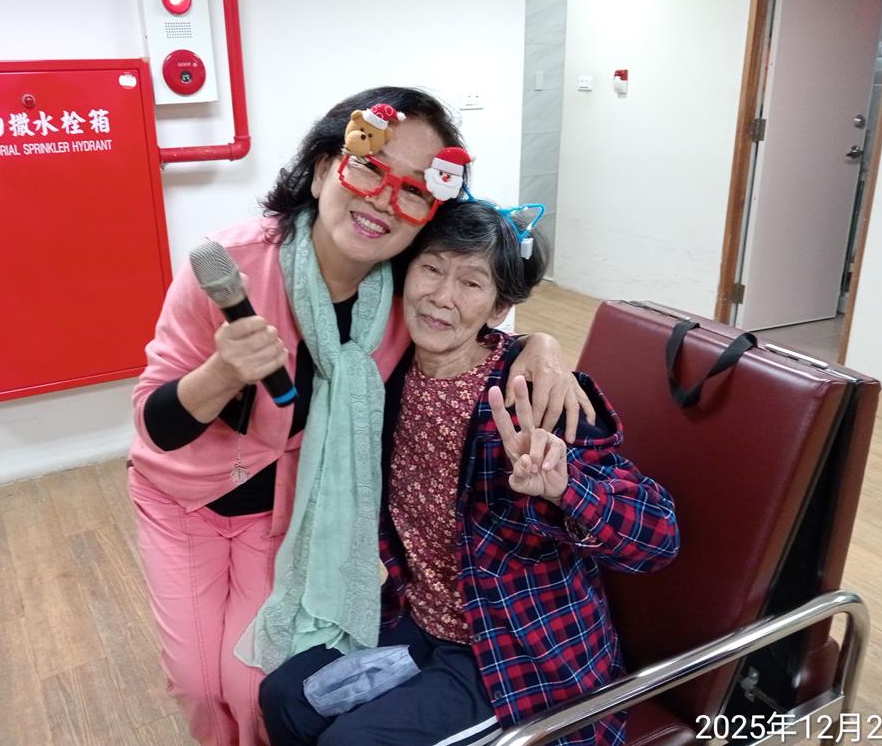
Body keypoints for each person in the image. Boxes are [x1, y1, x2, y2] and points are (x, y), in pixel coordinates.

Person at [128, 86, 592, 746]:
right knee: (200, 685)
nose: (382, 200)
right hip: (184, 500)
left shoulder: (402, 289)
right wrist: (222, 372)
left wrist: (539, 343)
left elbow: (471, 320)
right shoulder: (232, 266)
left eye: (413, 189)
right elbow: (156, 425)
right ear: (323, 170)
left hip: (287, 511)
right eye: (368, 168)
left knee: (252, 683)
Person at [259, 199, 680, 746]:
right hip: (415, 621)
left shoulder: (535, 397)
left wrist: (565, 488)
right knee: (285, 698)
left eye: (471, 283)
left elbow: (658, 537)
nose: (442, 296)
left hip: (514, 654)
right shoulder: (383, 376)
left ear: (499, 307)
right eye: (431, 268)